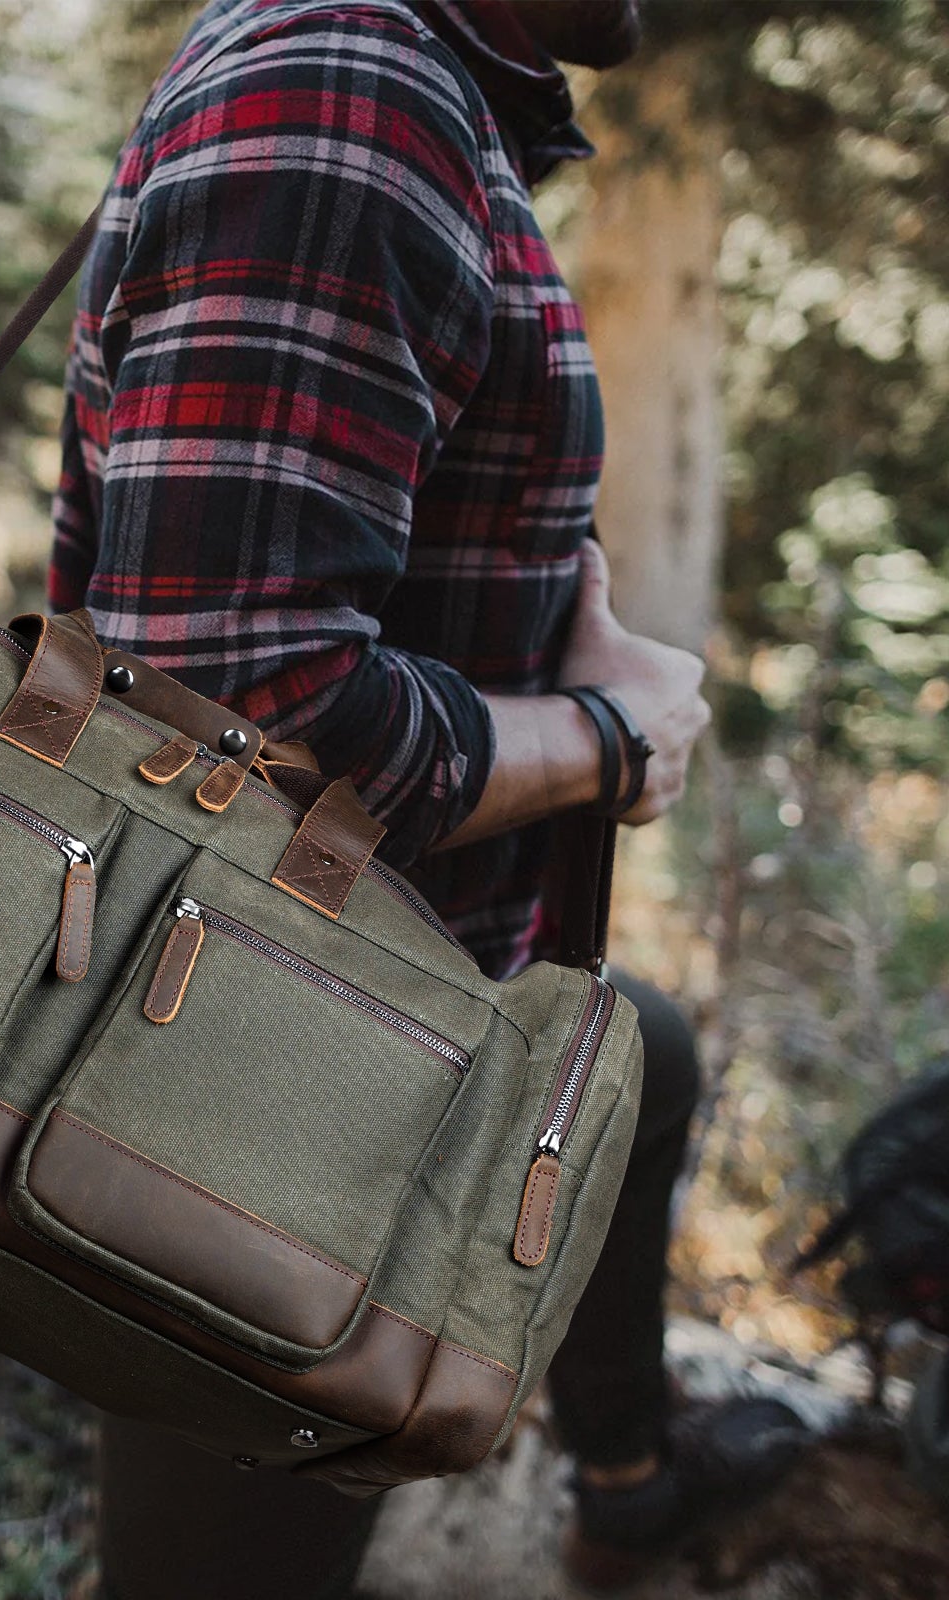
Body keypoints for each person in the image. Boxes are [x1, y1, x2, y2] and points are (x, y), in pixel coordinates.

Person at [49, 1, 808, 1593]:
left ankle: (622, 1474)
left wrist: (564, 654)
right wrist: (604, 737)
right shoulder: (354, 92)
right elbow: (236, 703)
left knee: (640, 1068)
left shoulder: (406, 89)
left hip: (386, 1001)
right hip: (265, 1081)